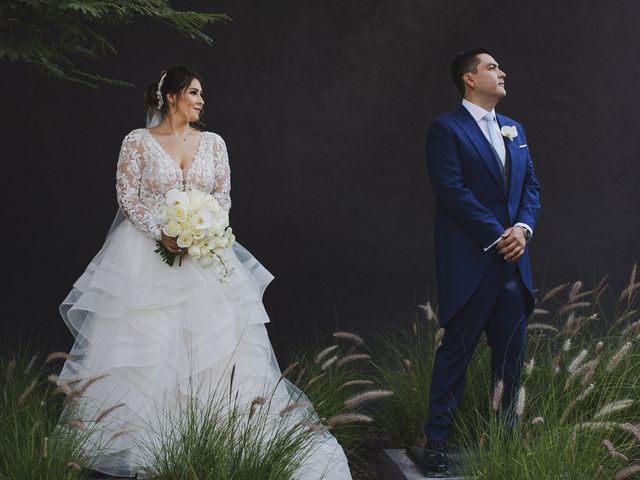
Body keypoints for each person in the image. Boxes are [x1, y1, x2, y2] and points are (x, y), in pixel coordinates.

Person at [56, 65, 352, 479]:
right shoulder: (137, 142)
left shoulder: (214, 143)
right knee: (148, 346)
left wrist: (200, 231)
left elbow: (222, 197)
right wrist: (163, 232)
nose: (201, 100)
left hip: (204, 256)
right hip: (144, 256)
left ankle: (213, 439)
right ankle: (144, 444)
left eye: (202, 94)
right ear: (172, 96)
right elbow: (128, 196)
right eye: (194, 93)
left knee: (214, 347)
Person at [422, 48, 541, 474]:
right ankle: (435, 441)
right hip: (472, 265)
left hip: (513, 266)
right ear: (469, 79)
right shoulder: (446, 129)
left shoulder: (515, 129)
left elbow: (531, 188)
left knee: (510, 357)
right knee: (455, 354)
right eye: (492, 67)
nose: (502, 71)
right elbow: (452, 190)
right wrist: (498, 236)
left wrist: (522, 230)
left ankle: (505, 439)